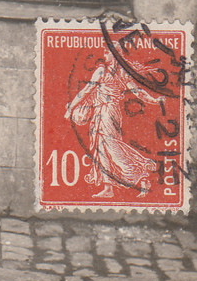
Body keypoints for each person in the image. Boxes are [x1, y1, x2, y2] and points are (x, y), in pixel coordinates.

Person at [65, 51, 160, 198]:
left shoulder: (104, 71)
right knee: (102, 148)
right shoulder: (121, 73)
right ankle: (108, 188)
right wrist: (153, 100)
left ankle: (140, 171)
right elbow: (139, 92)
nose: (104, 55)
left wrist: (71, 108)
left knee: (110, 146)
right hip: (108, 111)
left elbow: (85, 91)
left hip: (107, 112)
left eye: (107, 52)